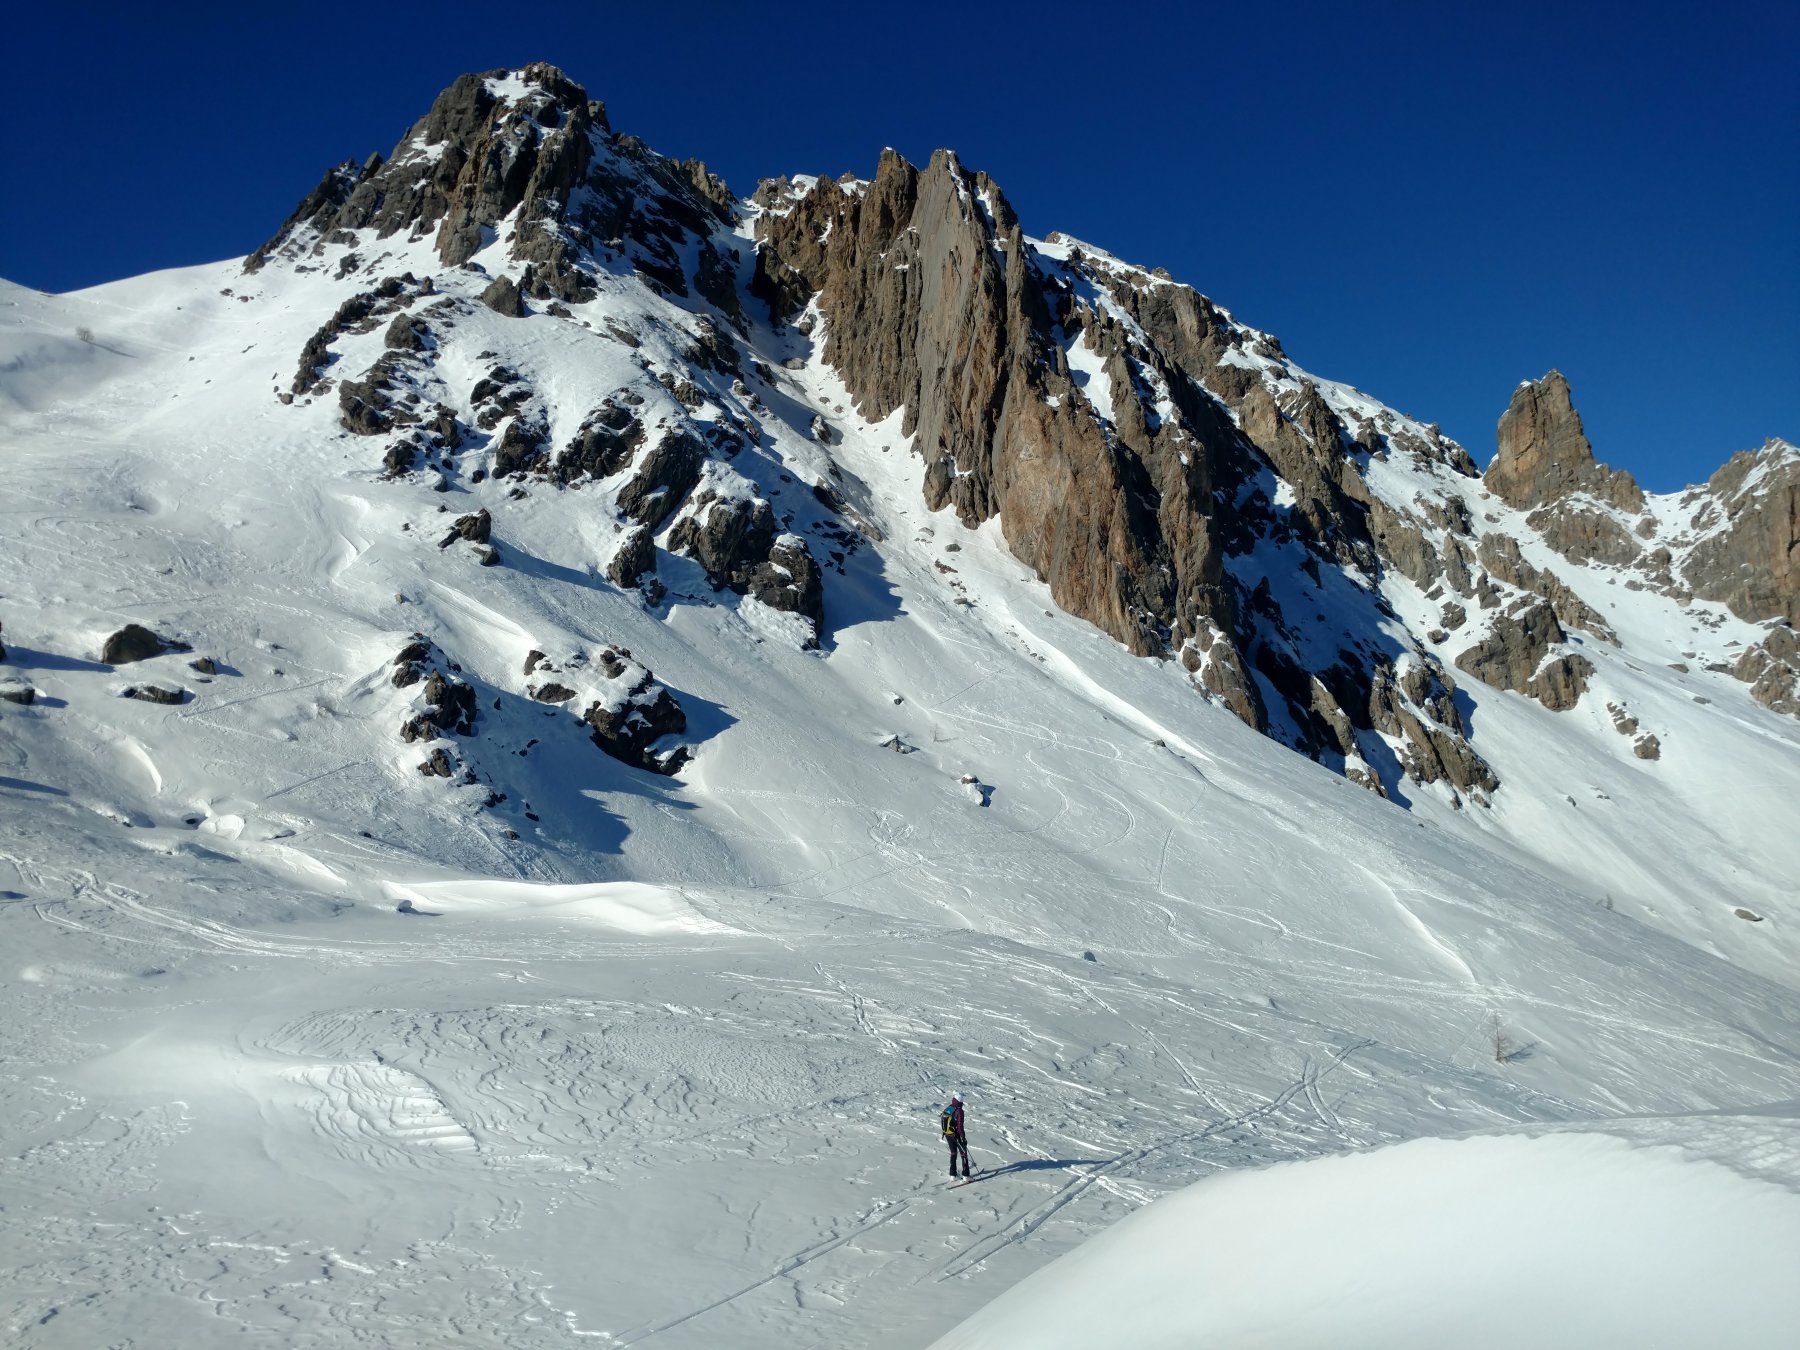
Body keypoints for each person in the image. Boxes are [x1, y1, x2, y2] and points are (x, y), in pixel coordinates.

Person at [942, 1095, 972, 1178]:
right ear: (961, 1102)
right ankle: (966, 1176)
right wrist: (963, 1137)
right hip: (956, 1135)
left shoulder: (949, 1107)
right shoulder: (959, 1111)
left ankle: (952, 1175)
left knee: (953, 1153)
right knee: (963, 1154)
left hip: (948, 1134)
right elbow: (960, 1126)